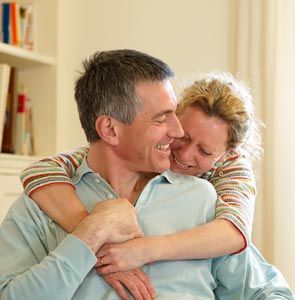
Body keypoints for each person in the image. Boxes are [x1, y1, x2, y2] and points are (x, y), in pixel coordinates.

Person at [0, 49, 294, 299]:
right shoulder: (44, 200)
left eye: (173, 113)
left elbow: (268, 291)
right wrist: (89, 235)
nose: (177, 132)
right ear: (110, 129)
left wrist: (143, 250)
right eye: (162, 118)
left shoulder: (202, 198)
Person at [21, 73, 260, 273]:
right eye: (184, 136)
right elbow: (41, 170)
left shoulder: (231, 167)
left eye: (205, 151)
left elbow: (235, 232)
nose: (185, 154)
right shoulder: (148, 152)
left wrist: (143, 250)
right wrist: (94, 238)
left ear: (227, 153)